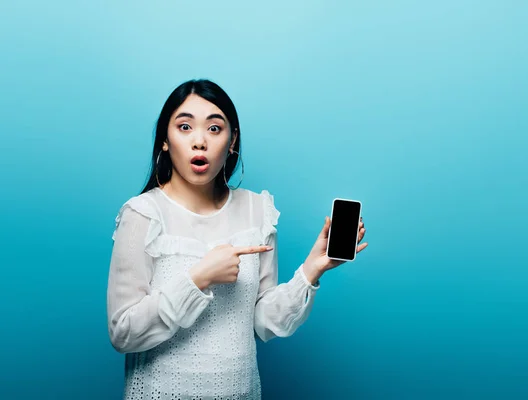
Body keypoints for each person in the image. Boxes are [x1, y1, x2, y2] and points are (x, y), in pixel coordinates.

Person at [106, 79, 368, 399]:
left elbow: (261, 322)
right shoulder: (143, 214)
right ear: (164, 139)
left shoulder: (258, 210)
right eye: (185, 127)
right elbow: (122, 333)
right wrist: (199, 278)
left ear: (232, 142)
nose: (199, 141)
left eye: (214, 129)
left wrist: (311, 271)